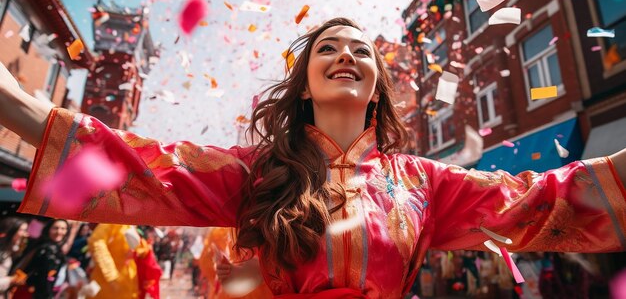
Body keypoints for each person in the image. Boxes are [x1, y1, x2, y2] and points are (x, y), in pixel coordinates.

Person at [0, 17, 625, 298]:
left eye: (361, 49)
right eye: (329, 48)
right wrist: (18, 105)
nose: (347, 55)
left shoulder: (425, 184)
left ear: (378, 85)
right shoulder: (255, 172)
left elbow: (537, 200)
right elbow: (145, 167)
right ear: (304, 82)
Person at [12, 219, 70, 298]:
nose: (59, 232)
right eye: (55, 228)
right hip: (34, 293)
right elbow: (46, 278)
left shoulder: (54, 248)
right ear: (48, 229)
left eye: (63, 229)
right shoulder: (47, 250)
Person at [87, 223, 140, 298]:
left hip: (126, 281)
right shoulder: (111, 221)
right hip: (108, 282)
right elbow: (97, 242)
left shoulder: (130, 224)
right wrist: (111, 274)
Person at [0, 217, 28, 296]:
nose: (25, 234)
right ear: (11, 230)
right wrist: (11, 280)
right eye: (22, 230)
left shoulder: (9, 252)